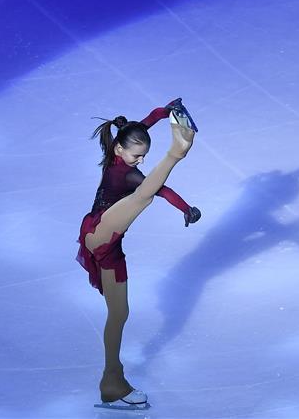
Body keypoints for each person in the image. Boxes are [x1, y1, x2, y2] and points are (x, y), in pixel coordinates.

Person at [76, 98, 199, 410]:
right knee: (143, 197)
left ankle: (111, 381)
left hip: (112, 246)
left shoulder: (128, 138)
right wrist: (185, 207)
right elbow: (154, 191)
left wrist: (168, 109)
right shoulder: (125, 174)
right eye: (137, 156)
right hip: (100, 230)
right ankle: (176, 153)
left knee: (120, 314)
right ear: (119, 149)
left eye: (145, 156)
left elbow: (149, 119)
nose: (141, 161)